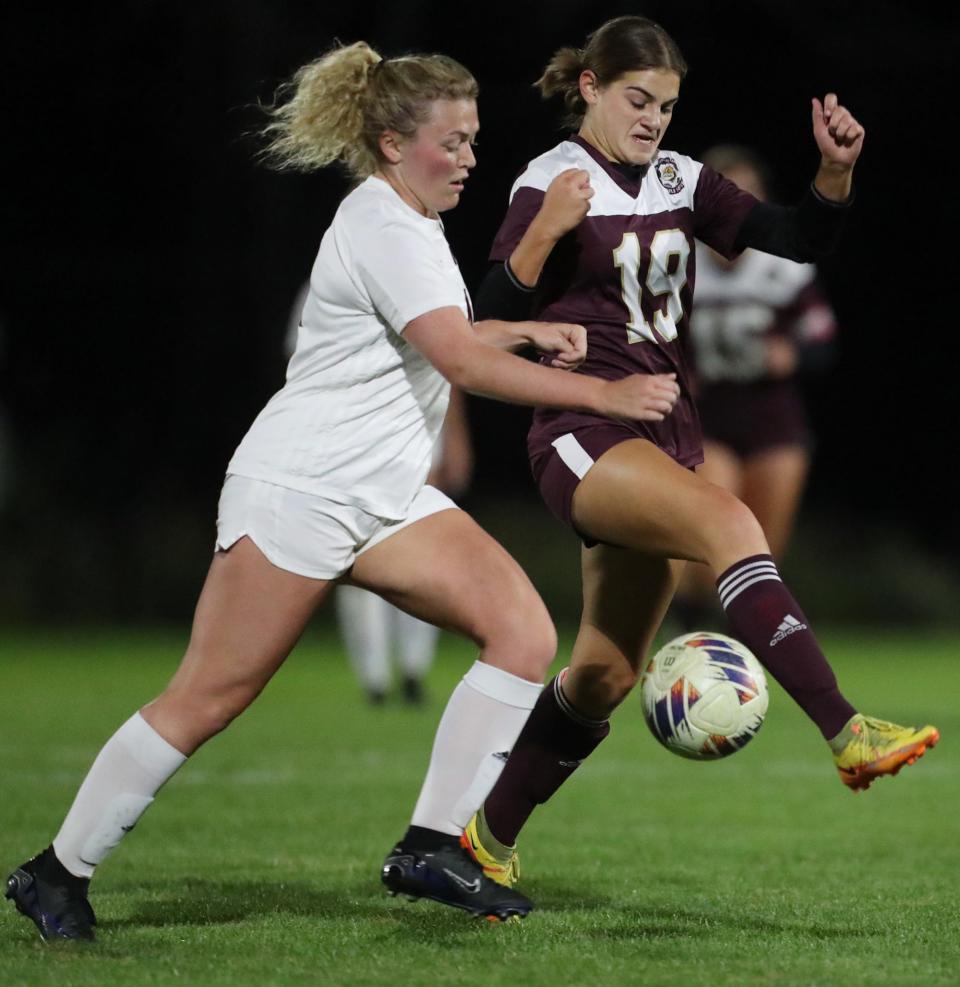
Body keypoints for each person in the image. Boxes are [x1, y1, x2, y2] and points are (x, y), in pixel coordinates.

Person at [4, 41, 683, 940]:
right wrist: (603, 392)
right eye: (454, 141)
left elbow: (440, 336)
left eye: (476, 140)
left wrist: (516, 330)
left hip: (385, 492)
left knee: (521, 631)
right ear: (394, 142)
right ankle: (55, 872)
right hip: (304, 487)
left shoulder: (412, 220)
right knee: (209, 695)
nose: (471, 158)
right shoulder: (380, 221)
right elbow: (453, 359)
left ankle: (432, 845)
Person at [457, 15, 939, 903]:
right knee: (728, 521)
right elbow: (486, 315)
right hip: (582, 431)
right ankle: (847, 730)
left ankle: (480, 842)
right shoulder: (551, 180)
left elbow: (796, 241)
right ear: (592, 88)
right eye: (637, 100)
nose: (652, 120)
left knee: (601, 675)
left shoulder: (680, 178)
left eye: (668, 106)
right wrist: (539, 235)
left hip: (661, 432)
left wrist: (834, 176)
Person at [670, 144, 839, 630]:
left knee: (762, 556)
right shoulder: (681, 264)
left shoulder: (784, 267)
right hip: (707, 415)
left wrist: (792, 353)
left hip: (773, 417)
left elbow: (823, 340)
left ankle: (737, 658)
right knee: (714, 539)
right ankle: (692, 640)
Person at [286, 285, 475, 705]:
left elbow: (452, 361)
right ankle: (373, 676)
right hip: (353, 444)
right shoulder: (324, 284)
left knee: (426, 557)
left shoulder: (424, 269)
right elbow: (304, 370)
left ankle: (413, 669)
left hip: (420, 438)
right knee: (357, 562)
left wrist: (456, 436)